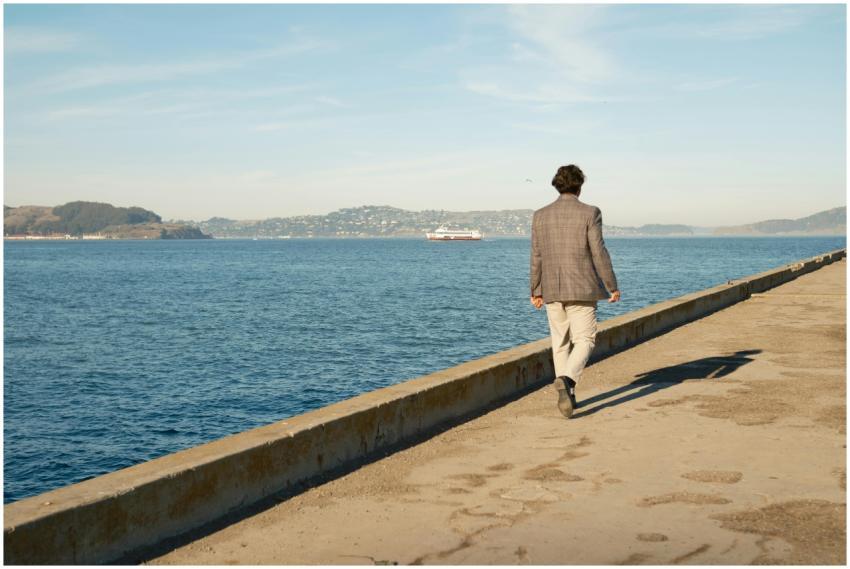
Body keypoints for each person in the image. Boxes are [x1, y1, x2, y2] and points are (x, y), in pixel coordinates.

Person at [530, 164, 620, 419]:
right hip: (582, 287)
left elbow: (536, 256)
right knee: (585, 339)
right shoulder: (590, 212)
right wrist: (611, 285)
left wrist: (535, 289)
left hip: (551, 289)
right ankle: (568, 381)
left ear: (557, 185)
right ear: (579, 186)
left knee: (560, 343)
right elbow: (598, 251)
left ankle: (567, 395)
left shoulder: (540, 215)